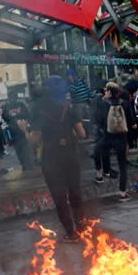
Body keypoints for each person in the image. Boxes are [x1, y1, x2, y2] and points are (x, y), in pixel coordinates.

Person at [30, 77, 87, 242]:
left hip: (51, 158)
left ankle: (71, 233)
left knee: (60, 197)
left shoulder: (38, 108)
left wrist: (23, 131)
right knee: (75, 193)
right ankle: (82, 228)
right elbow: (82, 133)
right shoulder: (69, 107)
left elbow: (35, 138)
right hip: (70, 154)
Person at [94, 82, 136, 201]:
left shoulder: (103, 104)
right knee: (122, 164)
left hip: (107, 136)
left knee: (98, 151)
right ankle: (123, 193)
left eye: (106, 90)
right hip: (121, 137)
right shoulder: (126, 104)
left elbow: (98, 120)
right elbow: (132, 122)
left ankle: (102, 174)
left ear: (109, 92)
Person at [2, 90, 34, 171]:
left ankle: (26, 165)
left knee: (21, 149)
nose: (12, 99)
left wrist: (16, 119)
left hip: (17, 130)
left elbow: (5, 118)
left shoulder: (14, 105)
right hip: (17, 130)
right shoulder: (14, 105)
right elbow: (5, 118)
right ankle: (26, 165)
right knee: (22, 149)